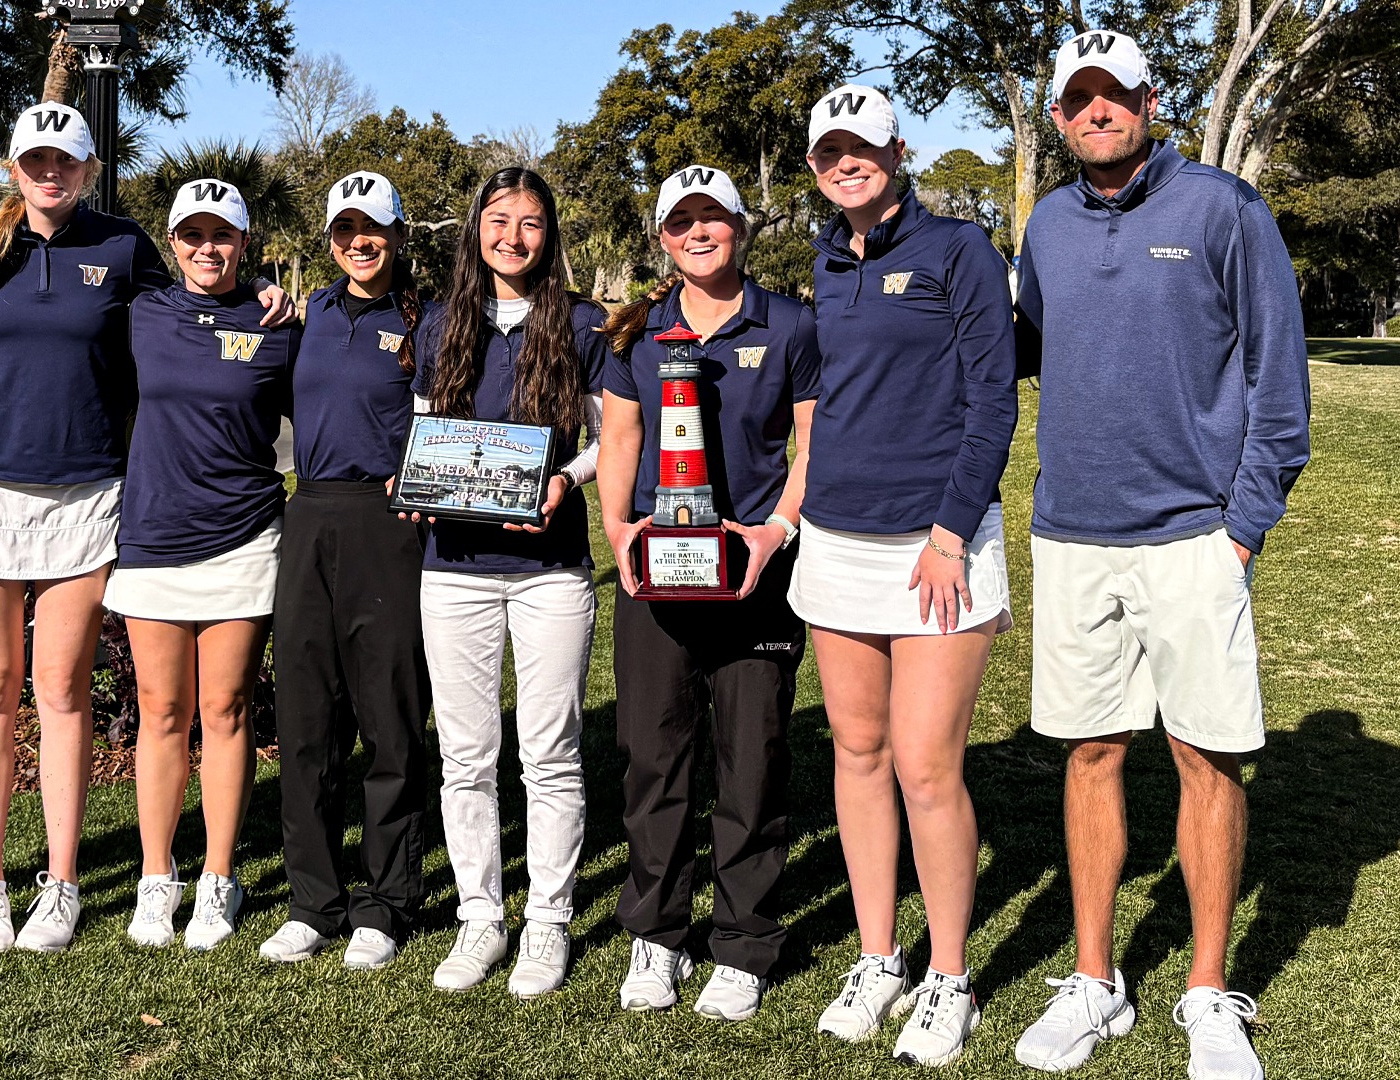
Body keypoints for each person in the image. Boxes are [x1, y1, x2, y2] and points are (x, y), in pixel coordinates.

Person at [1011, 32, 1309, 1080]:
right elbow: (1033, 345)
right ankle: (1096, 983)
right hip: (1074, 536)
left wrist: (1240, 531)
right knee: (1091, 755)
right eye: (1079, 98)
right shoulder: (1043, 226)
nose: (1099, 110)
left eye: (1115, 93)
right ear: (1057, 118)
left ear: (1149, 99)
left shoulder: (1225, 210)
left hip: (1194, 537)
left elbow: (1280, 385)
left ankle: (1207, 991)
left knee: (1204, 757)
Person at [0, 103, 290, 958]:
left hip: (87, 491)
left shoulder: (124, 247)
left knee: (59, 692)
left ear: (89, 169)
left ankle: (59, 886)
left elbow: (201, 320)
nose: (49, 173)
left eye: (65, 161)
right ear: (13, 167)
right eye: (34, 160)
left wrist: (270, 299)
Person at [787, 85, 1018, 1067]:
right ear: (815, 166)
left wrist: (950, 530)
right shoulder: (827, 262)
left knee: (928, 766)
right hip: (838, 542)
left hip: (936, 544)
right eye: (832, 150)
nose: (850, 161)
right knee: (859, 753)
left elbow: (992, 400)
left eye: (865, 147)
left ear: (899, 150)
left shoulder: (960, 249)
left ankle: (949, 978)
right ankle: (880, 957)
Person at [597, 166, 821, 1021]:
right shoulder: (638, 330)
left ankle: (743, 941)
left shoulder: (792, 323)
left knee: (752, 761)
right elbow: (621, 437)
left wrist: (775, 531)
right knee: (654, 761)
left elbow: (811, 442)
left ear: (740, 227)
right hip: (657, 571)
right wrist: (619, 531)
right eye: (682, 221)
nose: (700, 233)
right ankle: (657, 938)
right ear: (662, 236)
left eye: (715, 219)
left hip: (753, 574)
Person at [411, 167, 608, 997]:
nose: (513, 237)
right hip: (451, 571)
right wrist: (414, 483)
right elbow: (425, 428)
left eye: (530, 223)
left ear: (548, 233)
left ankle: (550, 922)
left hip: (550, 571)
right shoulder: (438, 322)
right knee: (465, 756)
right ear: (476, 229)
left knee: (549, 751)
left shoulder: (586, 323)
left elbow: (608, 440)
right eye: (498, 220)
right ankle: (481, 916)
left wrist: (565, 478)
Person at [112, 179, 301, 954]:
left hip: (244, 535)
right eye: (191, 235)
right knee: (160, 714)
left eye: (221, 235)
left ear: (245, 243)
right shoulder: (141, 314)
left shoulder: (278, 323)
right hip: (154, 536)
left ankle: (219, 878)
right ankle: (159, 879)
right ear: (173, 241)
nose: (206, 249)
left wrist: (275, 294)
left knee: (225, 713)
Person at [258, 171, 433, 971]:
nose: (357, 243)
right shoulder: (306, 315)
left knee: (389, 716)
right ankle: (312, 900)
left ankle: (386, 900)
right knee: (305, 716)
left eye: (372, 229)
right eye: (343, 230)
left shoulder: (425, 319)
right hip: (310, 512)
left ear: (399, 234)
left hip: (390, 522)